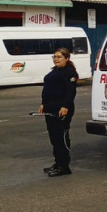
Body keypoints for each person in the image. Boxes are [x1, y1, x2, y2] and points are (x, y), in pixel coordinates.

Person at [39, 48, 78, 177]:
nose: (56, 59)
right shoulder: (55, 71)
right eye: (54, 57)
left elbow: (70, 91)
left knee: (61, 137)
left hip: (61, 109)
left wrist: (65, 106)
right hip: (50, 108)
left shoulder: (69, 72)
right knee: (54, 138)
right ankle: (57, 162)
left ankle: (64, 166)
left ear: (67, 58)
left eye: (59, 57)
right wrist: (43, 104)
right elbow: (48, 89)